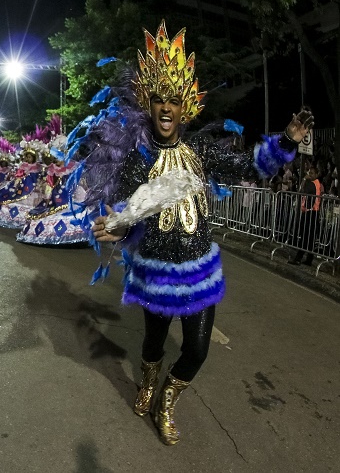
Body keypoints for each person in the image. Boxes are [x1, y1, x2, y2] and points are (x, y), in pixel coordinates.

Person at [84, 22, 311, 446]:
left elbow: (249, 167)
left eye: (174, 100)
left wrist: (286, 141)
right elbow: (128, 212)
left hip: (200, 271)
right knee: (153, 343)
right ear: (149, 104)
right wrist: (117, 227)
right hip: (156, 271)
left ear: (185, 108)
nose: (166, 108)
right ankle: (147, 381)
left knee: (197, 349)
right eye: (159, 99)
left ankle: (167, 400)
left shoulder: (201, 152)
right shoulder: (138, 159)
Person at [289, 166, 322, 265]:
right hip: (312, 212)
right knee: (310, 238)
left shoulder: (312, 184)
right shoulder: (316, 183)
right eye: (309, 173)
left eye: (312, 173)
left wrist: (304, 179)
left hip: (310, 212)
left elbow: (301, 191)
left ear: (316, 174)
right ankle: (308, 260)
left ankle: (298, 259)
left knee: (304, 236)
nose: (309, 175)